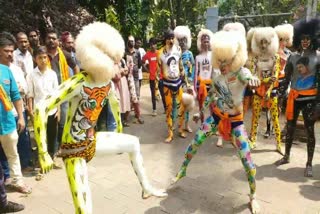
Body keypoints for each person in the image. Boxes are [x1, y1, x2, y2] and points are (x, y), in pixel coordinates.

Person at [33, 22, 167, 213]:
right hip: (73, 150)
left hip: (92, 141)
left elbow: (113, 101)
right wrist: (43, 153)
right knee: (85, 210)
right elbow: (40, 108)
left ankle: (146, 188)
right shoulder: (78, 82)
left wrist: (119, 126)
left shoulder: (106, 81)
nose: (116, 63)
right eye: (112, 59)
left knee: (133, 144)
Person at [171, 30, 261, 213]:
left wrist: (253, 80)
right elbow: (212, 97)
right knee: (195, 142)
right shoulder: (218, 78)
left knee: (248, 163)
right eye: (219, 61)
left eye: (225, 61)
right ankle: (182, 170)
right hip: (216, 117)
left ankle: (253, 196)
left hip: (236, 122)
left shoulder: (242, 72)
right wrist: (200, 113)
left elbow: (249, 77)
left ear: (234, 58)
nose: (222, 65)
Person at [275, 18, 320, 177]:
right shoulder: (292, 57)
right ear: (298, 39)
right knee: (290, 127)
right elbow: (286, 79)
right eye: (303, 38)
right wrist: (280, 94)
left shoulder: (318, 57)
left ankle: (308, 164)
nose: (305, 41)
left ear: (313, 39)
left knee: (310, 131)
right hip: (293, 98)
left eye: (308, 38)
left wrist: (318, 104)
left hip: (310, 99)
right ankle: (286, 156)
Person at [0, 32, 32, 195]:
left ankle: (17, 182)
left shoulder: (7, 72)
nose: (11, 54)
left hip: (7, 123)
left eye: (12, 51)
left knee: (13, 155)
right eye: (7, 51)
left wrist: (21, 116)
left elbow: (16, 96)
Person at [248, 27, 283, 155]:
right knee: (255, 117)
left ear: (270, 42)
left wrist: (266, 83)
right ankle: (253, 140)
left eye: (265, 42)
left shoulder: (276, 57)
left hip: (272, 91)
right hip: (258, 91)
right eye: (260, 42)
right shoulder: (255, 58)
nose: (263, 45)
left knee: (275, 117)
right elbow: (253, 76)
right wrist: (265, 79)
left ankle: (279, 143)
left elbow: (276, 76)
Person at [27, 46, 60, 163]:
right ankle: (41, 159)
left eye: (45, 57)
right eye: (40, 58)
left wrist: (58, 111)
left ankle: (52, 157)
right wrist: (30, 111)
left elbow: (57, 94)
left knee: (52, 135)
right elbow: (30, 95)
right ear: (35, 59)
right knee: (41, 136)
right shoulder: (31, 75)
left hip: (52, 110)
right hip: (38, 111)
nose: (43, 60)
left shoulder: (52, 74)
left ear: (48, 59)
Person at [157, 29, 188, 143]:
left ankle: (180, 129)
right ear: (165, 40)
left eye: (172, 38)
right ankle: (170, 133)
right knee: (169, 110)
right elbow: (156, 72)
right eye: (169, 38)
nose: (171, 40)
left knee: (181, 107)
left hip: (178, 82)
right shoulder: (160, 53)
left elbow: (181, 66)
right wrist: (156, 90)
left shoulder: (178, 49)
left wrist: (186, 81)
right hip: (167, 85)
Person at [263, 24, 294, 138]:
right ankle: (267, 128)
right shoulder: (271, 52)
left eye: (285, 40)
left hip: (284, 82)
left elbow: (291, 70)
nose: (283, 42)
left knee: (279, 106)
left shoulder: (289, 54)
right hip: (273, 81)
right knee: (269, 105)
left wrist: (289, 84)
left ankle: (273, 127)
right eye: (281, 39)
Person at [142, 38, 158, 116]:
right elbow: (142, 62)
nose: (152, 46)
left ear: (156, 45)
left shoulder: (159, 53)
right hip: (152, 78)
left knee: (163, 93)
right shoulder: (148, 54)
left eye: (154, 44)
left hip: (160, 77)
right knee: (153, 94)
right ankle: (154, 110)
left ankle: (166, 109)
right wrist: (147, 70)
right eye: (151, 44)